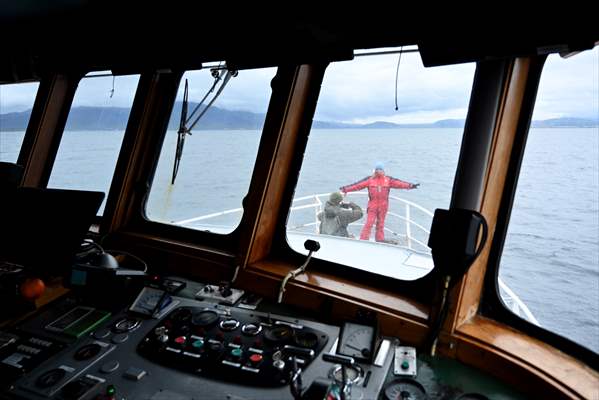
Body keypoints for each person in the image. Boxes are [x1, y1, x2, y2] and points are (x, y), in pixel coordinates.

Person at [340, 162, 419, 242]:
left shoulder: (388, 180)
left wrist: (410, 186)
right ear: (375, 170)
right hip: (372, 206)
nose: (378, 171)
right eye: (377, 169)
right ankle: (363, 240)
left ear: (383, 170)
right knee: (369, 223)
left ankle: (380, 240)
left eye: (380, 169)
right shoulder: (369, 180)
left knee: (380, 224)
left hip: (383, 207)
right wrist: (345, 189)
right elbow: (357, 186)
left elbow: (400, 183)